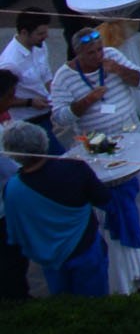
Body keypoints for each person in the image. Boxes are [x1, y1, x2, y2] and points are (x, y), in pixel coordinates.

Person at [2, 121, 108, 297]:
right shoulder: (75, 169)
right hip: (85, 249)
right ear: (43, 141)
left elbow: (14, 231)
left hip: (49, 258)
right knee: (95, 302)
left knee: (63, 302)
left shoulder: (12, 188)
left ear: (13, 154)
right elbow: (103, 198)